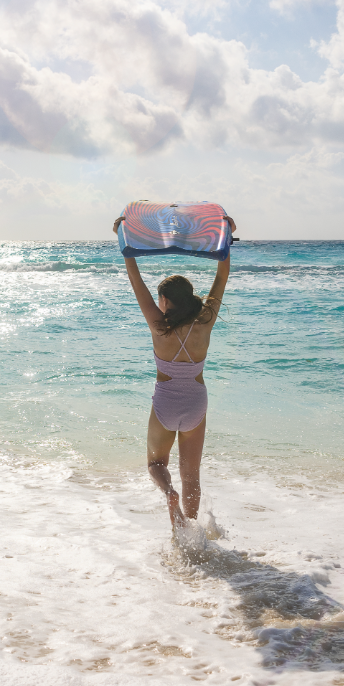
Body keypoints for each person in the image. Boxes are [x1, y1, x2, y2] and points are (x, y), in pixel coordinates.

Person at [114, 218, 232, 529]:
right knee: (191, 474)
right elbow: (222, 276)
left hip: (165, 404)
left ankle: (169, 493)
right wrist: (226, 237)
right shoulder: (205, 322)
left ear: (164, 301)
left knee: (156, 463)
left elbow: (135, 281)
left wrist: (124, 240)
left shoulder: (158, 326)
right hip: (196, 404)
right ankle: (190, 533)